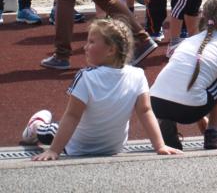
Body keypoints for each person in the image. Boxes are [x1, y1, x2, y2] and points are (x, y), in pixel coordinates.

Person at [24, 18, 180, 159]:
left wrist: (54, 150)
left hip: (77, 147)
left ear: (111, 50)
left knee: (52, 130)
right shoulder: (137, 74)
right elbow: (146, 111)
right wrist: (160, 146)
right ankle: (36, 126)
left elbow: (72, 116)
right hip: (109, 148)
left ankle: (36, 125)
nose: (85, 47)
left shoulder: (86, 77)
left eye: (91, 42)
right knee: (52, 129)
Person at [151, 0, 217, 150]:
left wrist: (201, 121)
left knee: (190, 77)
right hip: (189, 110)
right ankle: (213, 132)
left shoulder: (188, 41)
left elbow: (187, 81)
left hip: (156, 102)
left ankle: (167, 122)